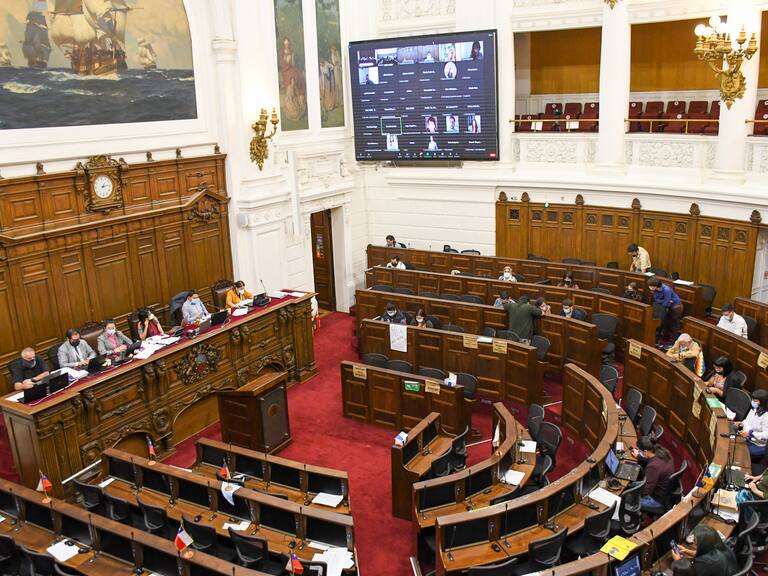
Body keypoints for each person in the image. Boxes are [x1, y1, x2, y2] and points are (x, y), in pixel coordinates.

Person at [630, 436, 675, 513]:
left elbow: (646, 491)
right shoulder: (664, 451)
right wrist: (638, 456)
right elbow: (651, 459)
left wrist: (632, 495)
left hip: (656, 499)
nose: (639, 452)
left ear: (645, 451)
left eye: (639, 451)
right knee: (633, 484)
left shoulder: (653, 467)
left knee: (627, 501)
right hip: (665, 491)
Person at [670, 525, 738, 576]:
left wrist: (679, 562)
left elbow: (690, 573)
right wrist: (686, 550)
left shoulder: (703, 565)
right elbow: (705, 552)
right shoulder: (720, 547)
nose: (693, 542)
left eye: (695, 541)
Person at [734, 388, 768, 460]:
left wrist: (750, 434)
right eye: (753, 400)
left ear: (762, 402)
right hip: (748, 439)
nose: (753, 402)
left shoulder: (766, 416)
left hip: (758, 445)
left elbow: (766, 434)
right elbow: (747, 421)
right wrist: (742, 424)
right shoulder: (754, 409)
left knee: (739, 452)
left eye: (755, 401)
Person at [648, 277, 683, 341]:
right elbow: (656, 300)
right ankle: (663, 337)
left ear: (655, 286)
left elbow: (666, 303)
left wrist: (664, 301)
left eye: (650, 286)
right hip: (666, 307)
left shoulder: (666, 290)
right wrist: (664, 301)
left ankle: (674, 340)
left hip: (675, 307)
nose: (649, 287)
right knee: (664, 322)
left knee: (674, 324)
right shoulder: (654, 290)